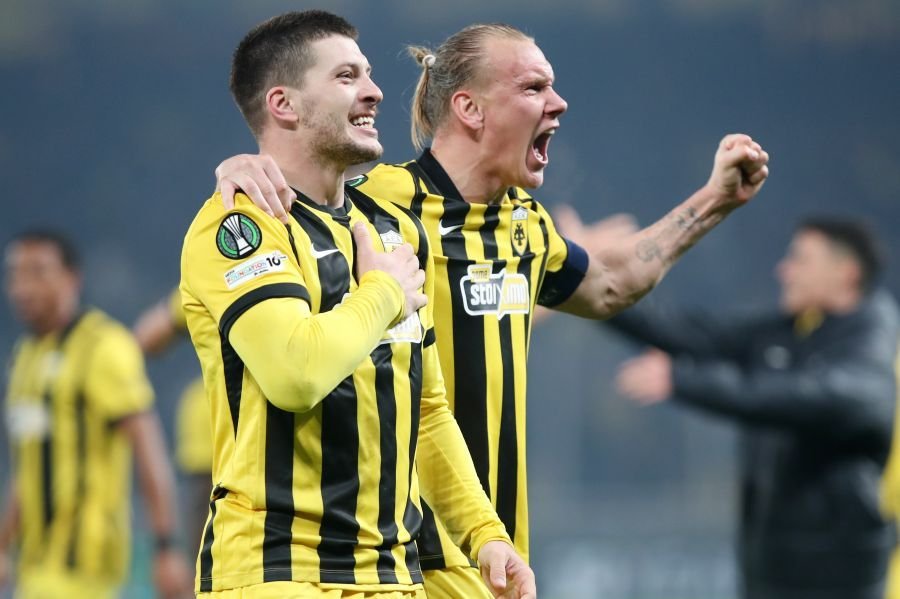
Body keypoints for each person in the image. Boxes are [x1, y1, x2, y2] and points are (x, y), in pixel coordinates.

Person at [213, 21, 770, 598]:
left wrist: (715, 199)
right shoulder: (379, 206)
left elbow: (611, 283)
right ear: (470, 109)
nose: (558, 103)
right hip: (401, 557)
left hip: (494, 557)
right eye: (533, 87)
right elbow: (285, 237)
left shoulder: (524, 223)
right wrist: (244, 167)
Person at [180, 11, 534, 598]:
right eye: (347, 76)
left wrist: (484, 534)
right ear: (283, 104)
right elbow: (295, 375)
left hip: (392, 575)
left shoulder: (391, 230)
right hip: (281, 570)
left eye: (368, 74)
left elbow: (427, 411)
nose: (374, 91)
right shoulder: (241, 224)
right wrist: (383, 294)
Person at [605, 217, 898, 599]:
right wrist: (588, 281)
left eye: (800, 259)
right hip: (769, 573)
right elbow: (684, 331)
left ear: (846, 272)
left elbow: (811, 399)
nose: (784, 270)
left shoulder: (874, 343)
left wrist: (686, 381)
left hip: (841, 580)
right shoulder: (789, 330)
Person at [0, 230, 193, 599]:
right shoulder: (24, 357)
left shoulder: (103, 346)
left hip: (85, 570)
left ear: (72, 278)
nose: (22, 287)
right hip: (32, 568)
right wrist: (3, 545)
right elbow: (28, 467)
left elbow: (147, 446)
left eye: (37, 272)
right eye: (15, 275)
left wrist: (166, 545)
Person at [133, 289, 213, 561]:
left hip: (214, 423)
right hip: (282, 430)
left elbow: (146, 336)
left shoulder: (219, 276)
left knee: (207, 557)